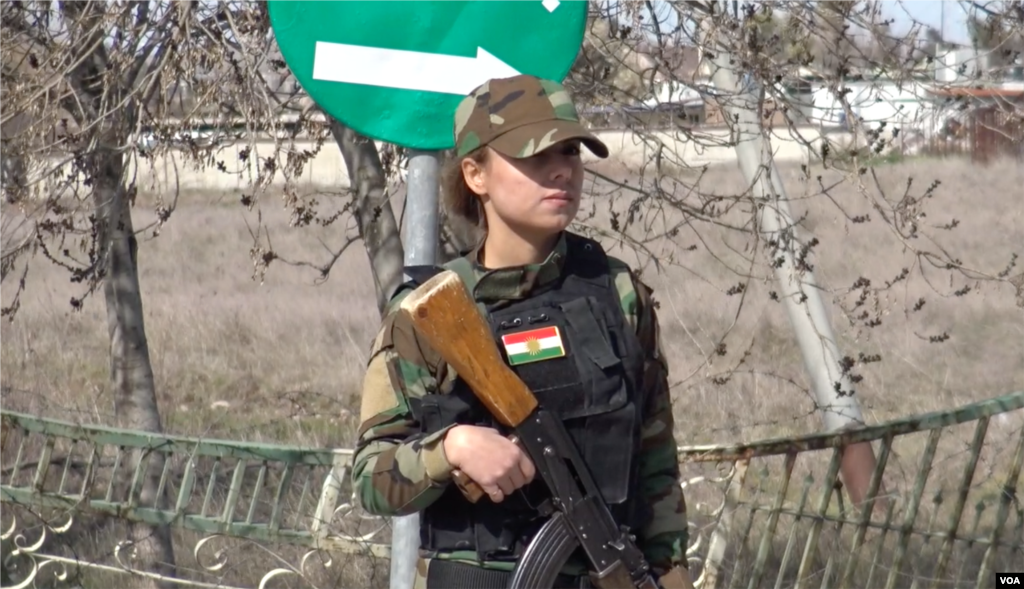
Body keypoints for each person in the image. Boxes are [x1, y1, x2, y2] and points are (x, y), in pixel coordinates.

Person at [351, 74, 692, 589]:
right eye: (535, 157)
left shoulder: (617, 294)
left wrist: (670, 570)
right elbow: (373, 480)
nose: (562, 171)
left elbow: (655, 457)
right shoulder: (431, 314)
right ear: (475, 174)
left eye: (571, 152)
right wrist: (452, 449)